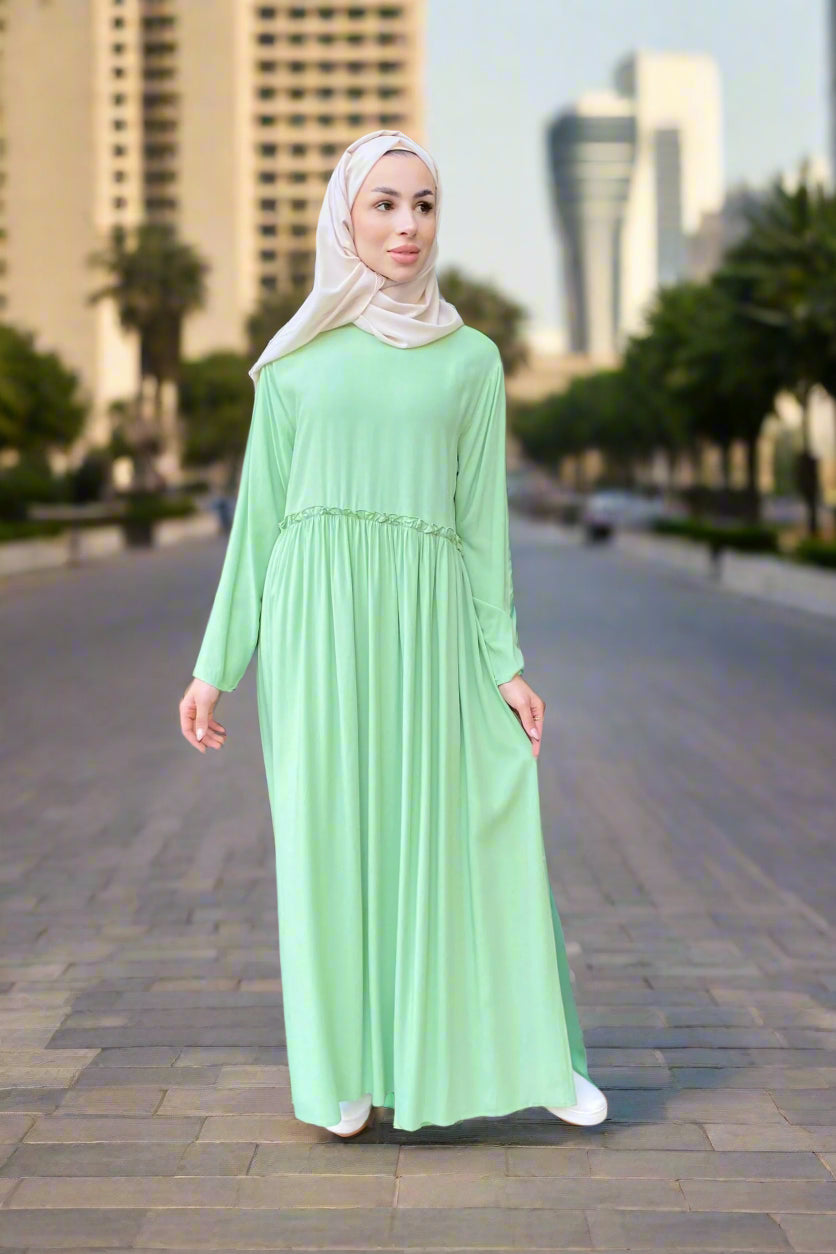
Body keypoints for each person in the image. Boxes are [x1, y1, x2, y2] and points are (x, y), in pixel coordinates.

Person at [178, 129, 607, 1138]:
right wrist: (215, 668)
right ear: (344, 217)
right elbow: (261, 526)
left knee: (482, 820)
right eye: (383, 204)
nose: (405, 225)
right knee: (331, 846)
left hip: (428, 619)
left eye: (421, 205)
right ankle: (346, 1069)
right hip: (313, 628)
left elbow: (478, 526)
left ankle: (535, 1056)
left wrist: (502, 662)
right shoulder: (291, 364)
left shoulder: (472, 361)